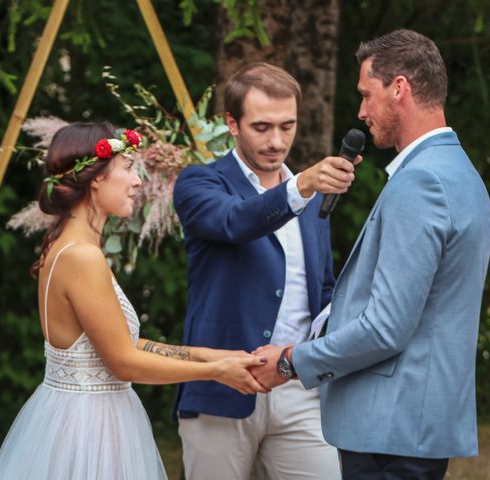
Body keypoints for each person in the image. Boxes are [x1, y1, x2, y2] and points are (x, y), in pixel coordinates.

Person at [251, 29, 490, 479]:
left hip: (391, 429)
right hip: (411, 424)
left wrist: (290, 361)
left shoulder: (422, 182)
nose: (361, 112)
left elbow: (386, 327)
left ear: (398, 88)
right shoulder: (459, 173)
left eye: (367, 94)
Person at [0, 122, 268, 480]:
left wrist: (216, 355)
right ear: (96, 178)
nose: (138, 181)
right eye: (128, 168)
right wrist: (215, 372)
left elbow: (125, 345)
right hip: (88, 431)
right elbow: (124, 362)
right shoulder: (82, 257)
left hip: (80, 415)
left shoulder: (70, 248)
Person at [172, 62, 358, 479]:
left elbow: (322, 289)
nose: (277, 141)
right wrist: (302, 187)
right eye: (262, 127)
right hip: (221, 387)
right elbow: (236, 222)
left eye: (287, 126)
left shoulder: (310, 201)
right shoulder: (199, 183)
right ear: (232, 124)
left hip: (299, 388)